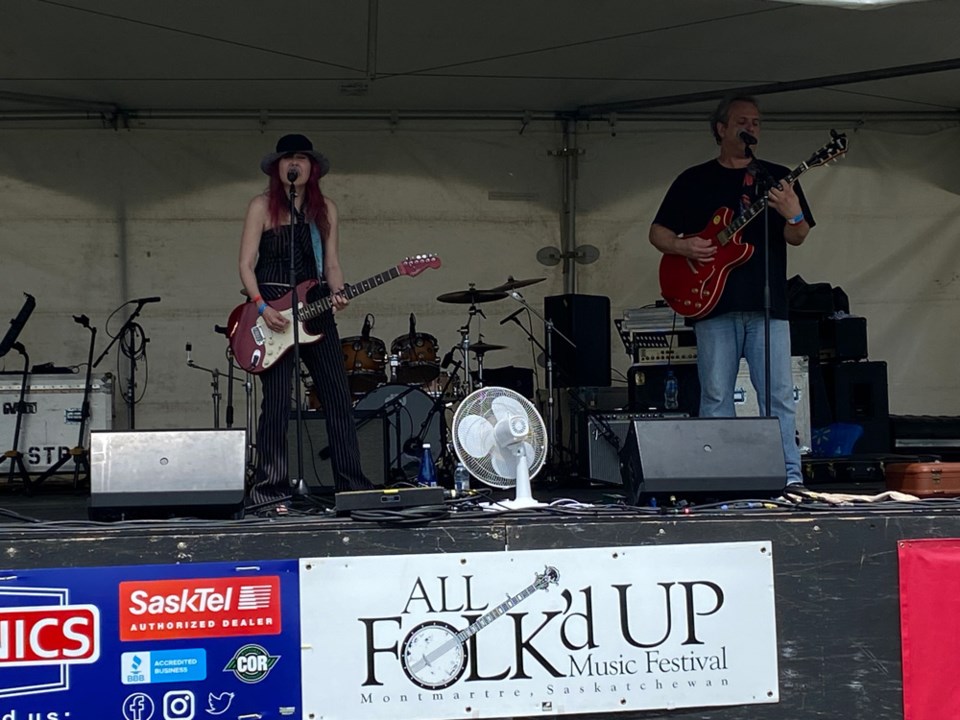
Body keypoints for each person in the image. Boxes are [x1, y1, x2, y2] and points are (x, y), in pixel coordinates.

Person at [649, 96, 813, 488]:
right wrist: (684, 247)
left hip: (767, 305)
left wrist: (792, 211)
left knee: (777, 396)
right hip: (712, 302)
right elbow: (658, 233)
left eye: (756, 122)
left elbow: (798, 236)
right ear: (721, 129)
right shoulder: (693, 179)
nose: (751, 128)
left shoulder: (777, 178)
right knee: (717, 394)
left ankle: (789, 477)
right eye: (742, 121)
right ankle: (721, 476)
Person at [239, 133, 373, 512]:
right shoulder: (262, 206)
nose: (293, 164)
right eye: (287, 159)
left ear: (311, 168)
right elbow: (245, 264)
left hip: (316, 309)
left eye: (300, 158)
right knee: (278, 403)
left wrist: (339, 290)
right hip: (273, 312)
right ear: (277, 167)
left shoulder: (324, 209)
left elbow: (330, 262)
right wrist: (263, 307)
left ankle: (352, 486)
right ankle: (270, 491)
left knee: (337, 396)